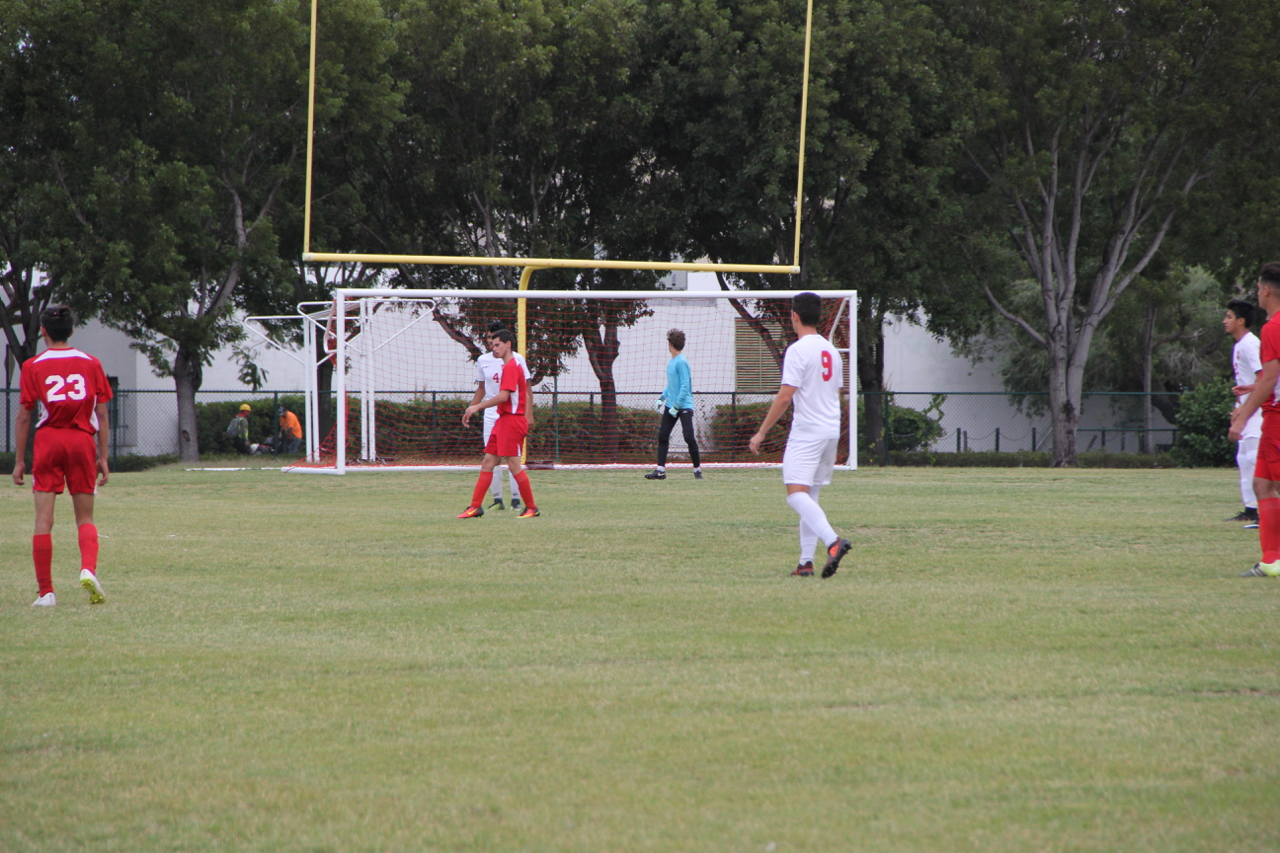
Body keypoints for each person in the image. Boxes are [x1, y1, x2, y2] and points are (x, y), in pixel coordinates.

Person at [13, 305, 113, 607]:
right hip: (82, 440)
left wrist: (19, 460)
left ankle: (46, 593)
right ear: (71, 331)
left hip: (48, 439)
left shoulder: (33, 365)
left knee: (43, 519)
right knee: (85, 516)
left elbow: (24, 417)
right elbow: (102, 412)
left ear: (43, 331)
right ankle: (88, 569)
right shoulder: (91, 362)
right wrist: (104, 456)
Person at [748, 292, 851, 578]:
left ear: (794, 316)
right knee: (809, 496)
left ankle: (833, 542)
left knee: (795, 495)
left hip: (808, 432)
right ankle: (806, 562)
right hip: (831, 430)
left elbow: (784, 397)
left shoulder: (798, 350)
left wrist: (761, 433)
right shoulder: (831, 350)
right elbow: (837, 392)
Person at [1230, 263, 1280, 577]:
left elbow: (1271, 377)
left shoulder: (1272, 327)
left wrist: (1242, 415)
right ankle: (1272, 561)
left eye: (1258, 287)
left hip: (1277, 418)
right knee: (1262, 484)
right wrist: (1253, 388)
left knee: (1268, 483)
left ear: (1266, 290)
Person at [458, 329, 540, 518]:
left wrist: (476, 407)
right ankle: (475, 507)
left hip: (512, 420)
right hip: (503, 421)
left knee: (513, 464)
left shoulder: (512, 366)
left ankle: (531, 507)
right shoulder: (505, 366)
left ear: (508, 344)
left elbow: (504, 396)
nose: (493, 348)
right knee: (488, 462)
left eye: (497, 345)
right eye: (492, 345)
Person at [645, 329, 704, 481]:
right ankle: (660, 471)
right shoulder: (671, 362)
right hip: (671, 404)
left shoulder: (682, 362)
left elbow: (685, 386)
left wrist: (677, 406)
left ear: (670, 344)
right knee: (663, 435)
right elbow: (672, 385)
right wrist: (662, 398)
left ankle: (697, 471)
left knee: (688, 437)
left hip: (683, 406)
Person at [1225, 299, 1263, 529]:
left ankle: (1264, 514)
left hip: (1259, 411)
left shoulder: (1250, 344)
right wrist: (1240, 407)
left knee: (1256, 459)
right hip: (1248, 410)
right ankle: (1251, 510)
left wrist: (1247, 402)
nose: (1225, 321)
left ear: (1241, 321)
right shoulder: (1240, 344)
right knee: (1244, 460)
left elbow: (1266, 377)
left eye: (1229, 316)